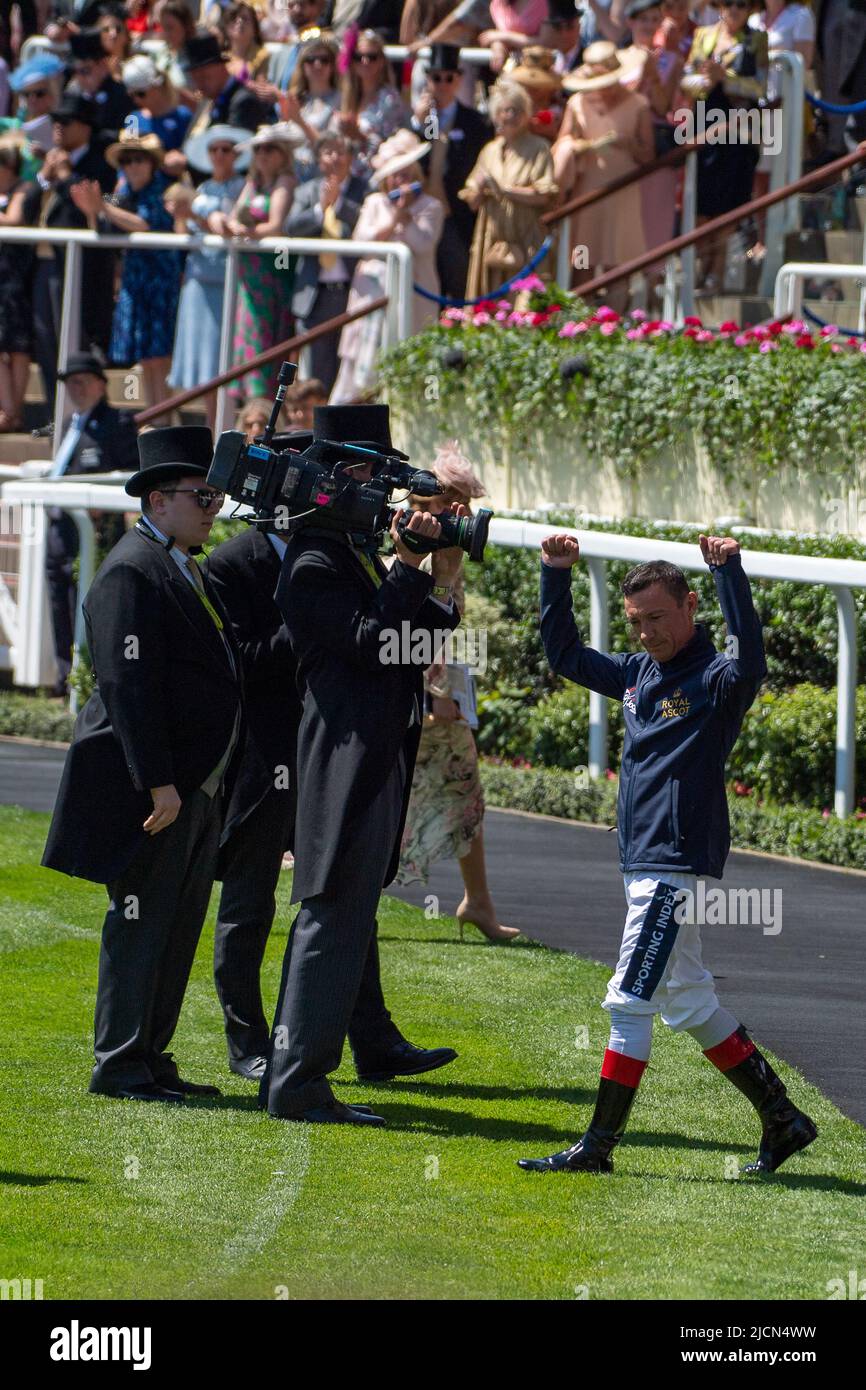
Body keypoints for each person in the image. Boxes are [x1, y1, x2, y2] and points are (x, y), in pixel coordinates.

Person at [519, 533, 818, 1177]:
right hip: (644, 860)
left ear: (689, 607)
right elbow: (565, 653)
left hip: (673, 866)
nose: (647, 632)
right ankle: (784, 1120)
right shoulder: (636, 672)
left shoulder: (716, 677)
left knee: (629, 1002)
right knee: (689, 1002)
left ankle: (596, 1149)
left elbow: (751, 658)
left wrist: (728, 572)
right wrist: (555, 572)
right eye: (635, 622)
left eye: (658, 617)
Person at [258, 402, 461, 1124]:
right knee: (331, 916)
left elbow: (420, 631)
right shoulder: (314, 561)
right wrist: (407, 565)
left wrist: (443, 562)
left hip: (371, 756)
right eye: (374, 475)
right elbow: (376, 642)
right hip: (343, 757)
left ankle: (297, 1077)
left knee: (344, 916)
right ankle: (297, 1084)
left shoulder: (344, 551)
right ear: (342, 477)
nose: (385, 494)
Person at [42, 426, 242, 1103]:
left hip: (192, 786)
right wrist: (158, 782)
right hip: (157, 788)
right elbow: (126, 687)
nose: (212, 508)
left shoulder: (179, 563)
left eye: (215, 496)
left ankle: (149, 1056)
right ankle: (120, 1062)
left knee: (176, 924)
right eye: (200, 496)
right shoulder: (133, 568)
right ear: (159, 500)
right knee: (139, 919)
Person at [394, 442, 519, 943]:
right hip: (415, 702)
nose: (463, 513)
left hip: (439, 701)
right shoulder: (410, 544)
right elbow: (401, 635)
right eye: (454, 501)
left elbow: (445, 636)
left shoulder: (447, 545)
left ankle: (479, 903)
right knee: (391, 797)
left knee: (465, 794)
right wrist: (429, 698)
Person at [43, 351, 140, 700]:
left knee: (88, 601)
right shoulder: (70, 422)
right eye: (70, 383)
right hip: (60, 524)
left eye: (81, 382)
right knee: (58, 599)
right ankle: (65, 674)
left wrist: (102, 504)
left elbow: (130, 472)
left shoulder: (118, 423)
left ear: (101, 384)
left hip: (96, 530)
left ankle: (90, 677)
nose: (75, 389)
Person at [71, 130, 183, 418]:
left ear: (151, 163)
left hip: (159, 281)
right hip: (137, 282)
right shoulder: (124, 194)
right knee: (147, 358)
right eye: (127, 161)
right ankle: (155, 415)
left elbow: (144, 224)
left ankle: (163, 418)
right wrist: (93, 212)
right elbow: (105, 229)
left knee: (160, 357)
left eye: (138, 160)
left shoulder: (162, 189)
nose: (132, 166)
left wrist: (102, 207)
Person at [330, 130, 443, 403]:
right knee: (357, 370)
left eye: (405, 174)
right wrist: (394, 219)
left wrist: (406, 219)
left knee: (407, 361)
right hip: (370, 296)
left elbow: (423, 245)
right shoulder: (374, 203)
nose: (399, 180)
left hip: (413, 298)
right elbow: (362, 243)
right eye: (395, 174)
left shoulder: (431, 207)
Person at [27, 92, 115, 405]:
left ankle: (87, 412)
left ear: (85, 127)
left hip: (81, 267)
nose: (58, 127)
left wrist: (64, 178)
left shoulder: (100, 163)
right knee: (47, 338)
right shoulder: (51, 164)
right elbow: (27, 208)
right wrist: (44, 179)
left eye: (66, 121)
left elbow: (91, 208)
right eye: (55, 120)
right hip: (45, 262)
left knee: (76, 339)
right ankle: (56, 413)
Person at [554, 42, 652, 298]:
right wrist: (583, 145)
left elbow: (648, 155)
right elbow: (563, 142)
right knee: (583, 259)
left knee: (616, 262)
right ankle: (580, 324)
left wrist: (627, 143)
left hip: (622, 193)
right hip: (587, 193)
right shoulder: (577, 103)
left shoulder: (638, 103)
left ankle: (614, 324)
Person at [684, 2, 767, 294]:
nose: (735, 9)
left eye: (742, 4)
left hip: (739, 131)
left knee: (728, 205)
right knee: (702, 206)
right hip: (705, 125)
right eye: (729, 2)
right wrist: (706, 79)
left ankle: (715, 274)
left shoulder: (757, 39)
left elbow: (760, 88)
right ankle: (702, 269)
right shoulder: (703, 35)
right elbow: (687, 80)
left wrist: (726, 79)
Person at [168, 125, 248, 426]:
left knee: (221, 359)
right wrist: (181, 215)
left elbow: (228, 227)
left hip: (227, 280)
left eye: (225, 150)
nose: (218, 156)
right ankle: (213, 428)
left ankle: (225, 429)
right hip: (198, 279)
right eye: (214, 150)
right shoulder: (202, 190)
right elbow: (185, 231)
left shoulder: (242, 187)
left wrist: (196, 217)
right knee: (204, 362)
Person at [285, 130, 368, 394]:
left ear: (351, 158)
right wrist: (321, 209)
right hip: (315, 296)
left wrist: (339, 203)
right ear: (319, 159)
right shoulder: (306, 191)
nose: (335, 158)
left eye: (341, 151)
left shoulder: (363, 190)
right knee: (317, 376)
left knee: (351, 373)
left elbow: (363, 222)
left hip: (352, 293)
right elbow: (292, 227)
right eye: (328, 152)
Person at [459, 80, 557, 301]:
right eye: (505, 110)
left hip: (527, 239)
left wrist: (504, 190)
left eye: (516, 110)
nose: (510, 116)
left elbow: (544, 195)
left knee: (527, 308)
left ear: (526, 114)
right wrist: (479, 189)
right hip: (491, 240)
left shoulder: (539, 148)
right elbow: (472, 200)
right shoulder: (489, 151)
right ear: (496, 114)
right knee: (490, 308)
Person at [410, 42, 492, 301]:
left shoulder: (476, 123)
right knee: (425, 284)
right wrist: (419, 125)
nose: (442, 85)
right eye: (436, 78)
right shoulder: (419, 121)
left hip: (456, 215)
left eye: (449, 78)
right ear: (427, 80)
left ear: (458, 80)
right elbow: (412, 160)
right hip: (422, 212)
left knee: (458, 280)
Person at [225, 122, 297, 401]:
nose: (263, 154)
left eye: (269, 148)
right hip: (251, 271)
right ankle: (250, 404)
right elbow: (235, 215)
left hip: (274, 269)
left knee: (267, 335)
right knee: (248, 333)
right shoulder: (253, 182)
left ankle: (264, 402)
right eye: (258, 149)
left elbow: (277, 225)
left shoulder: (286, 181)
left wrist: (247, 231)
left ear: (282, 153)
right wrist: (227, 223)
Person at [181, 29, 275, 150]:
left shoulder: (243, 101)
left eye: (204, 76)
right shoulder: (210, 101)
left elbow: (234, 152)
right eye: (195, 79)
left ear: (221, 68)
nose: (200, 85)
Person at [338, 28, 411, 181]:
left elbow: (389, 144)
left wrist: (358, 136)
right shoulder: (347, 97)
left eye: (372, 57)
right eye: (359, 57)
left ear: (382, 61)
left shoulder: (390, 99)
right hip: (346, 176)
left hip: (376, 177)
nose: (365, 62)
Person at [272, 33, 342, 186]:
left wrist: (299, 120)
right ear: (303, 65)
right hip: (292, 172)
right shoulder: (296, 98)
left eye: (324, 60)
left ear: (332, 65)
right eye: (311, 60)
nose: (317, 65)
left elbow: (329, 148)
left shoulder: (340, 100)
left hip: (322, 175)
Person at [0, 134, 36, 432]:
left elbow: (15, 219)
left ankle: (15, 411)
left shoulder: (22, 189)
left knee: (18, 347)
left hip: (15, 279)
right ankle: (7, 410)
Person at [121, 54, 193, 173]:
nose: (136, 100)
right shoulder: (133, 119)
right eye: (131, 95)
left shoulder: (182, 116)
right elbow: (127, 157)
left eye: (141, 94)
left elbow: (191, 153)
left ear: (156, 86)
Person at [66, 26, 135, 138]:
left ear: (103, 65)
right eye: (75, 72)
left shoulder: (123, 97)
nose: (80, 78)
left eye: (85, 71)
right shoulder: (73, 97)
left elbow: (130, 135)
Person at [220, 2, 271, 82]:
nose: (239, 21)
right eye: (233, 17)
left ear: (255, 29)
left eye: (245, 18)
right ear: (226, 27)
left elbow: (261, 88)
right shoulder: (220, 58)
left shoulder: (262, 55)